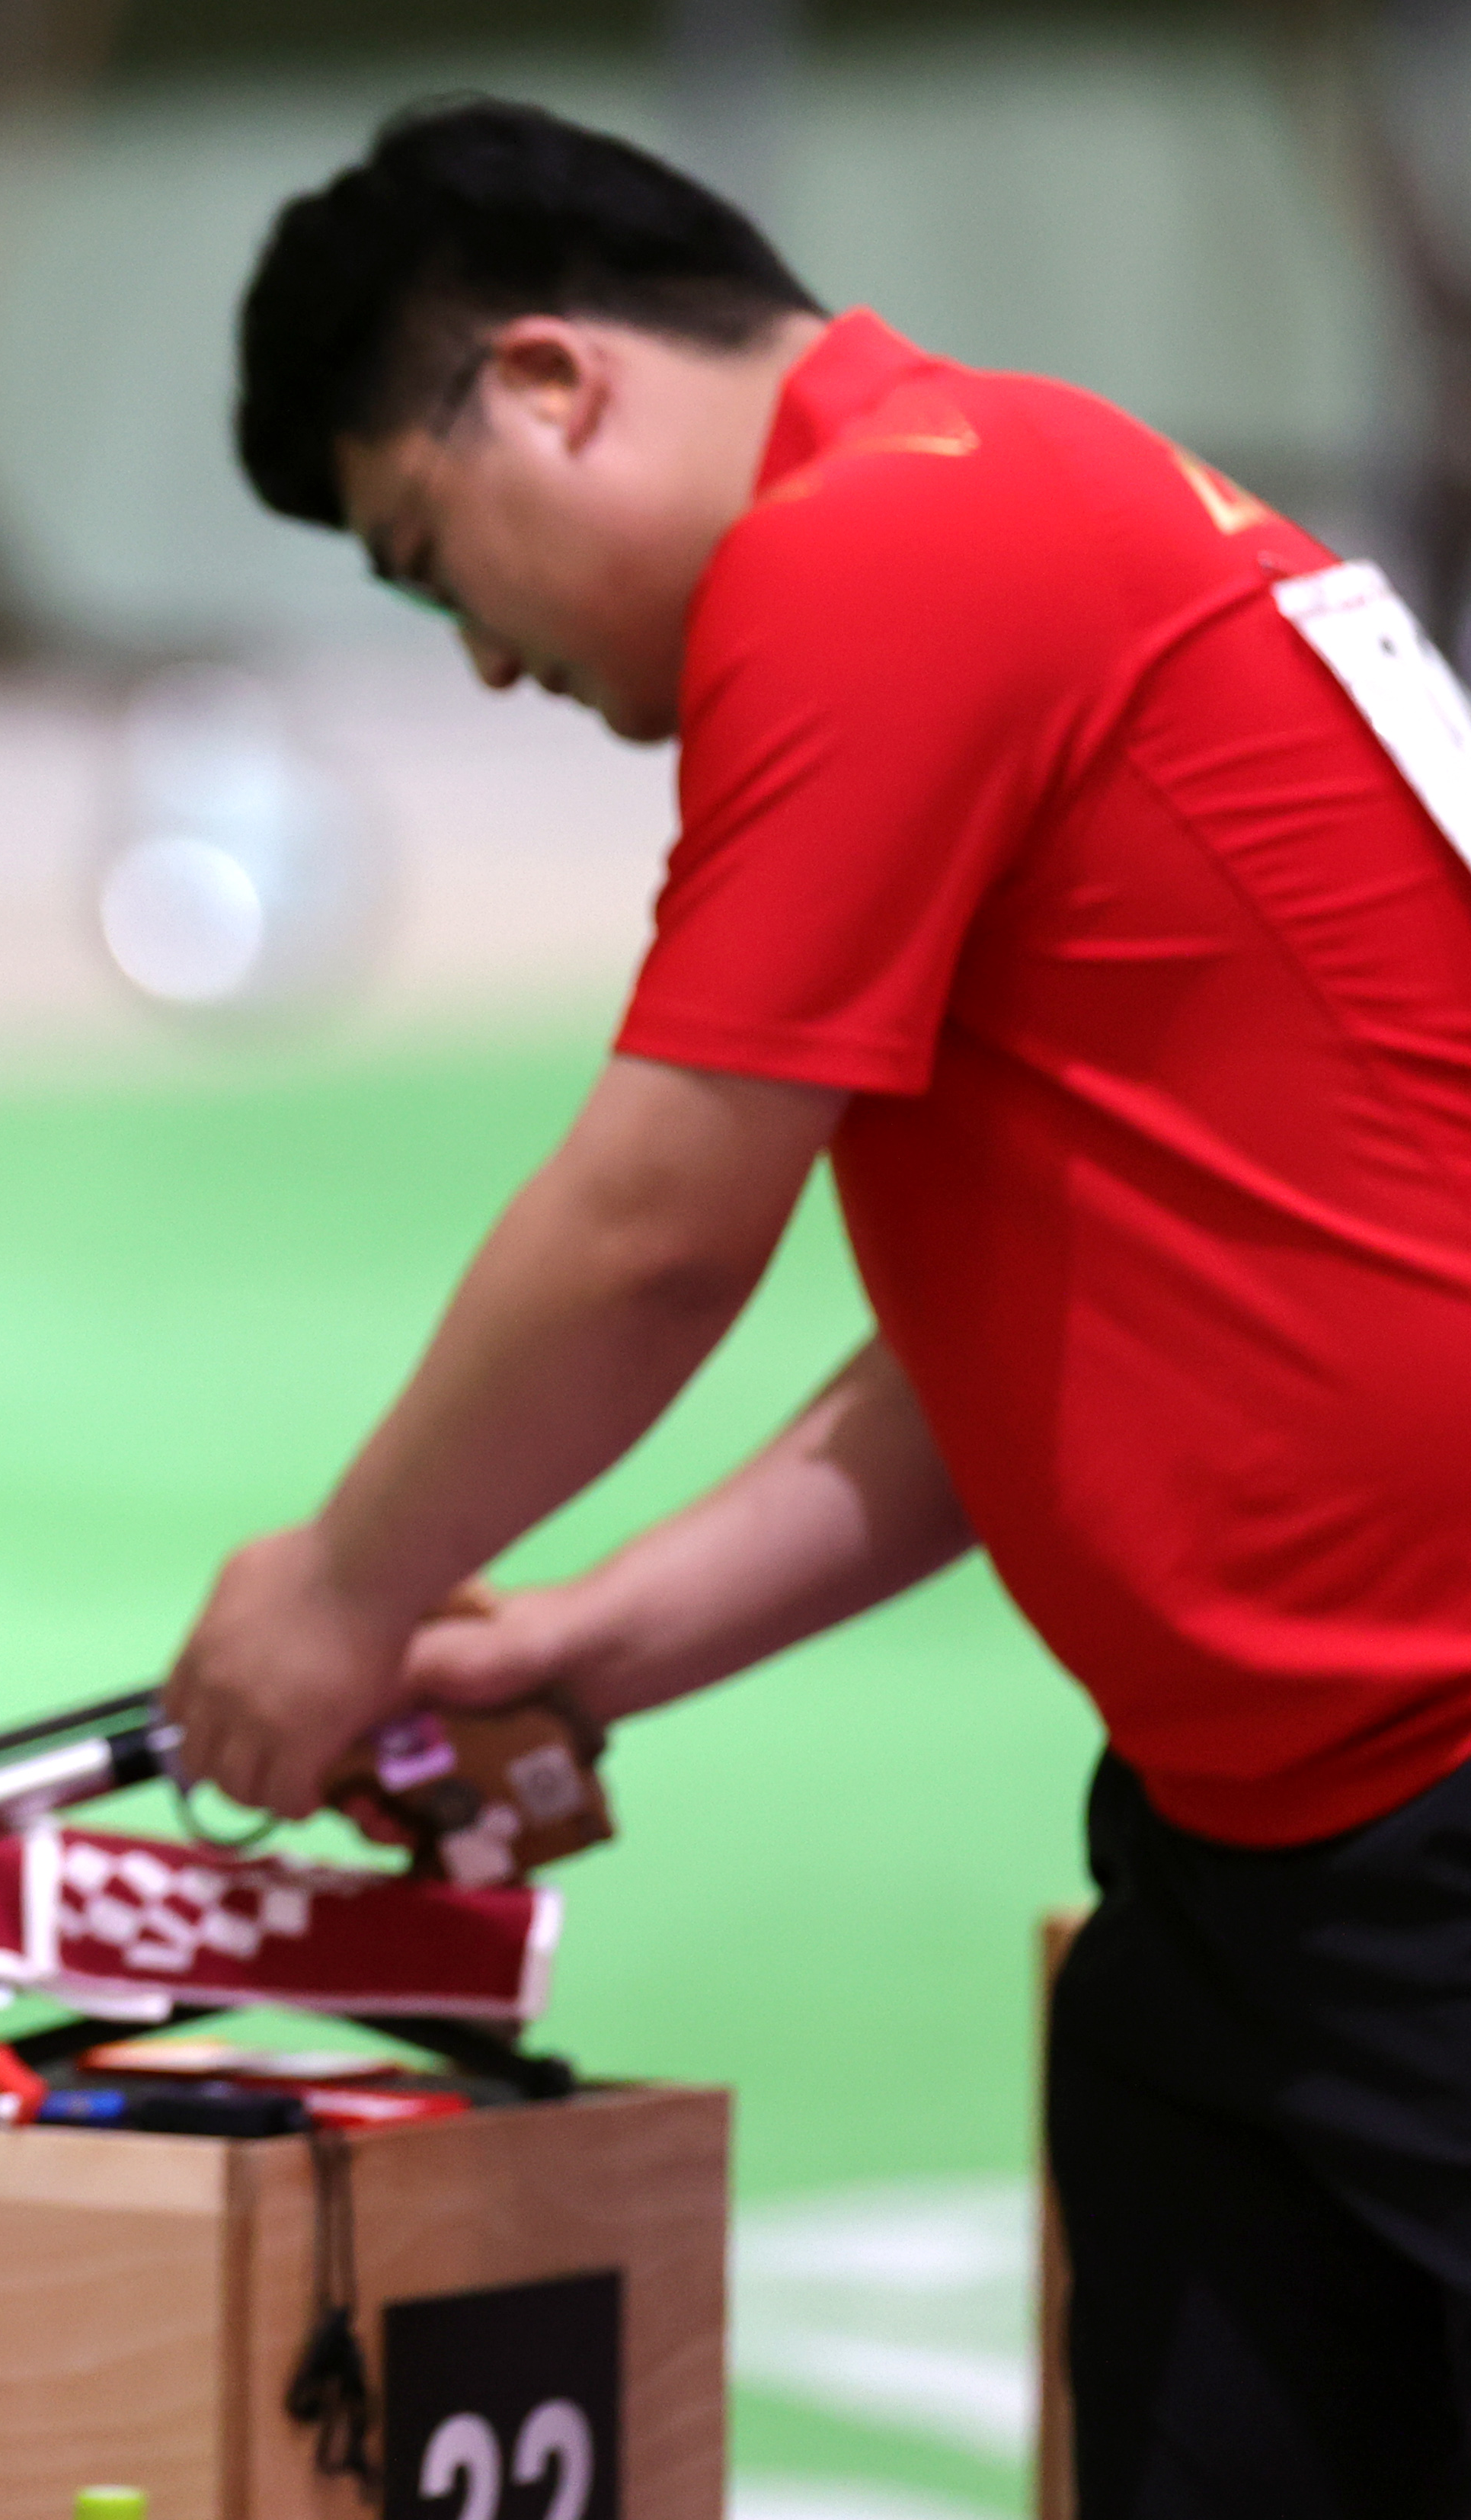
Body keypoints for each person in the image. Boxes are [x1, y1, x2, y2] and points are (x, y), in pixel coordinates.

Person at [174, 96, 1471, 2513]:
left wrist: (339, 1597)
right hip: (1257, 1864)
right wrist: (594, 1641)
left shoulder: (889, 544)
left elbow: (660, 1219)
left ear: (550, 383)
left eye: (436, 558)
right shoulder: (1017, 498)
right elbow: (1025, 1357)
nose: (477, 661)